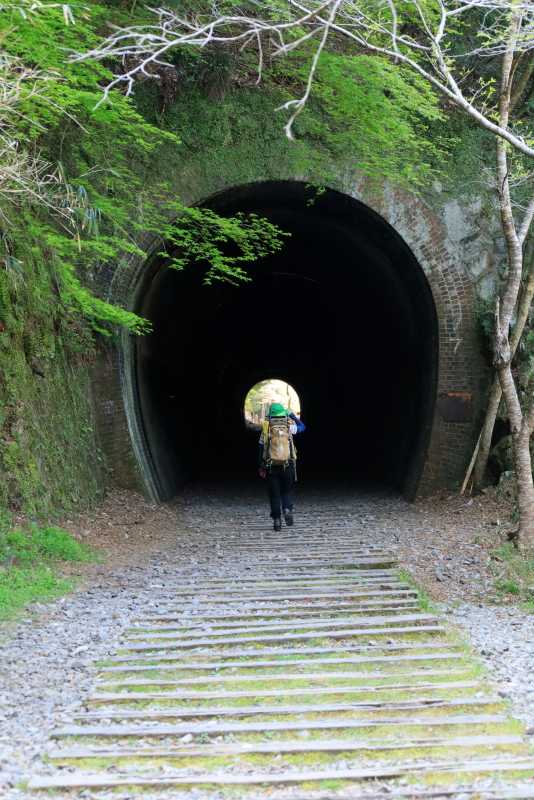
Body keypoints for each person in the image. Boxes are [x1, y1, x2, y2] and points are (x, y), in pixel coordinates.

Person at [258, 402, 306, 531]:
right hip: (287, 465)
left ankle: (277, 521)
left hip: (271, 466)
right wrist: (292, 415)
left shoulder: (266, 427)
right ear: (283, 414)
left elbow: (261, 448)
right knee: (286, 490)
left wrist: (261, 466)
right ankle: (287, 509)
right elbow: (303, 426)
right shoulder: (289, 426)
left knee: (274, 494)